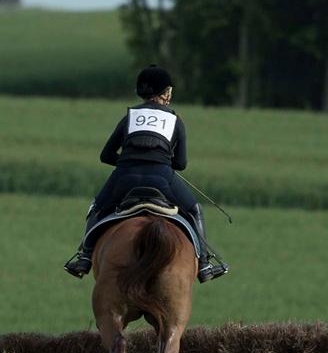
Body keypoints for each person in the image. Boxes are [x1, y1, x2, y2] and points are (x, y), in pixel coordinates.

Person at [64, 64, 228, 282]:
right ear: (166, 92)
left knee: (96, 207)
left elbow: (105, 155)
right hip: (162, 179)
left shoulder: (130, 117)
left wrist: (128, 162)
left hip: (124, 178)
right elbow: (181, 163)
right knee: (195, 209)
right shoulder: (175, 120)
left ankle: (84, 258)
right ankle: (205, 265)